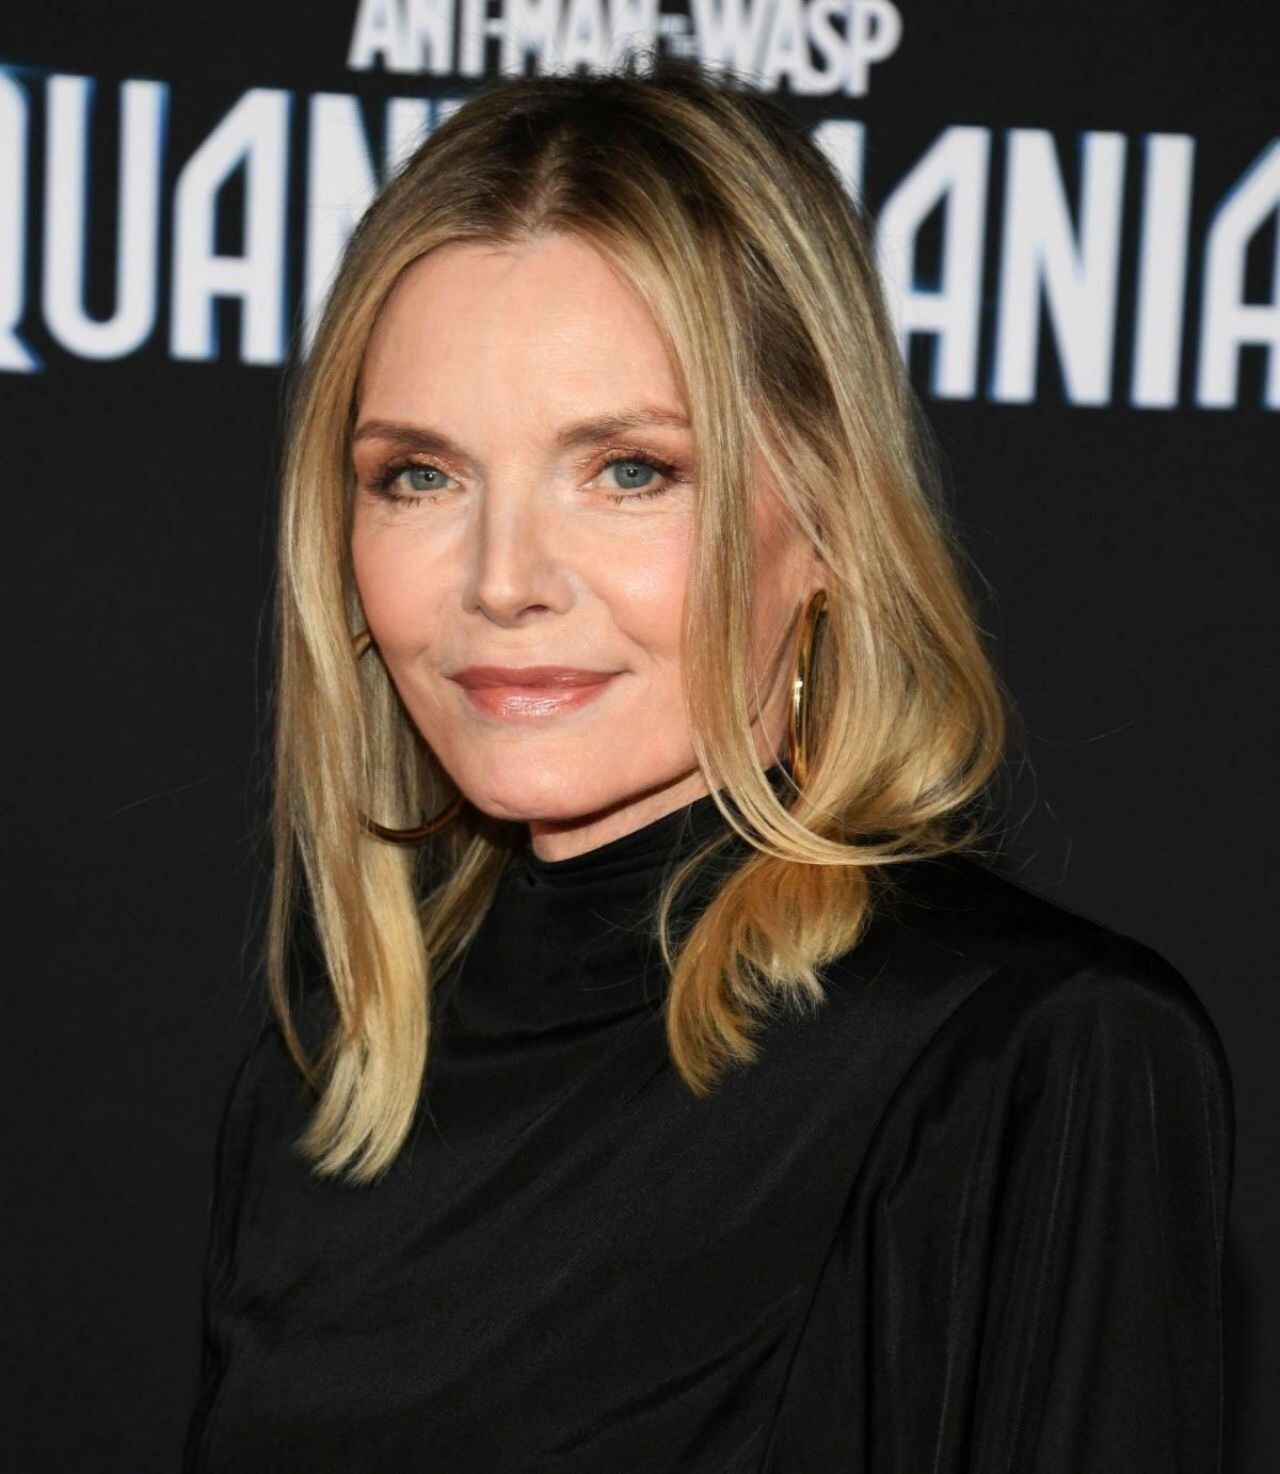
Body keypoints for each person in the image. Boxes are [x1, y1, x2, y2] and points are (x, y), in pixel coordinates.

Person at [182, 56, 1234, 1472]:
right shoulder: (331, 1080)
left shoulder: (1031, 1060)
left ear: (831, 518)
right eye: (421, 475)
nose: (502, 580)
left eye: (629, 470)